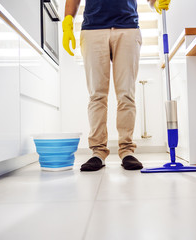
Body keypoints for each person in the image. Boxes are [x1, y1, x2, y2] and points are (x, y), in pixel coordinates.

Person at [62, 0, 171, 171]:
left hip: (127, 28)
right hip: (93, 30)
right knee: (97, 95)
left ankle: (127, 151)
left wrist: (156, 4)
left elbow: (151, 1)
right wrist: (68, 21)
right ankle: (98, 152)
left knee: (126, 93)